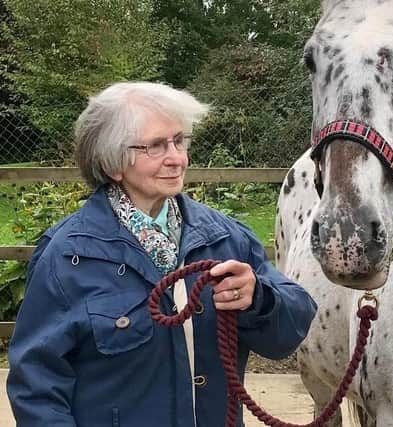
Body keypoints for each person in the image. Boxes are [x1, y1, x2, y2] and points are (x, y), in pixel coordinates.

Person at [7, 82, 317, 427]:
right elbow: (36, 385)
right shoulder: (67, 256)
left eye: (179, 141)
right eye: (156, 146)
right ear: (113, 164)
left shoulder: (225, 238)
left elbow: (288, 335)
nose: (177, 158)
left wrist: (258, 297)